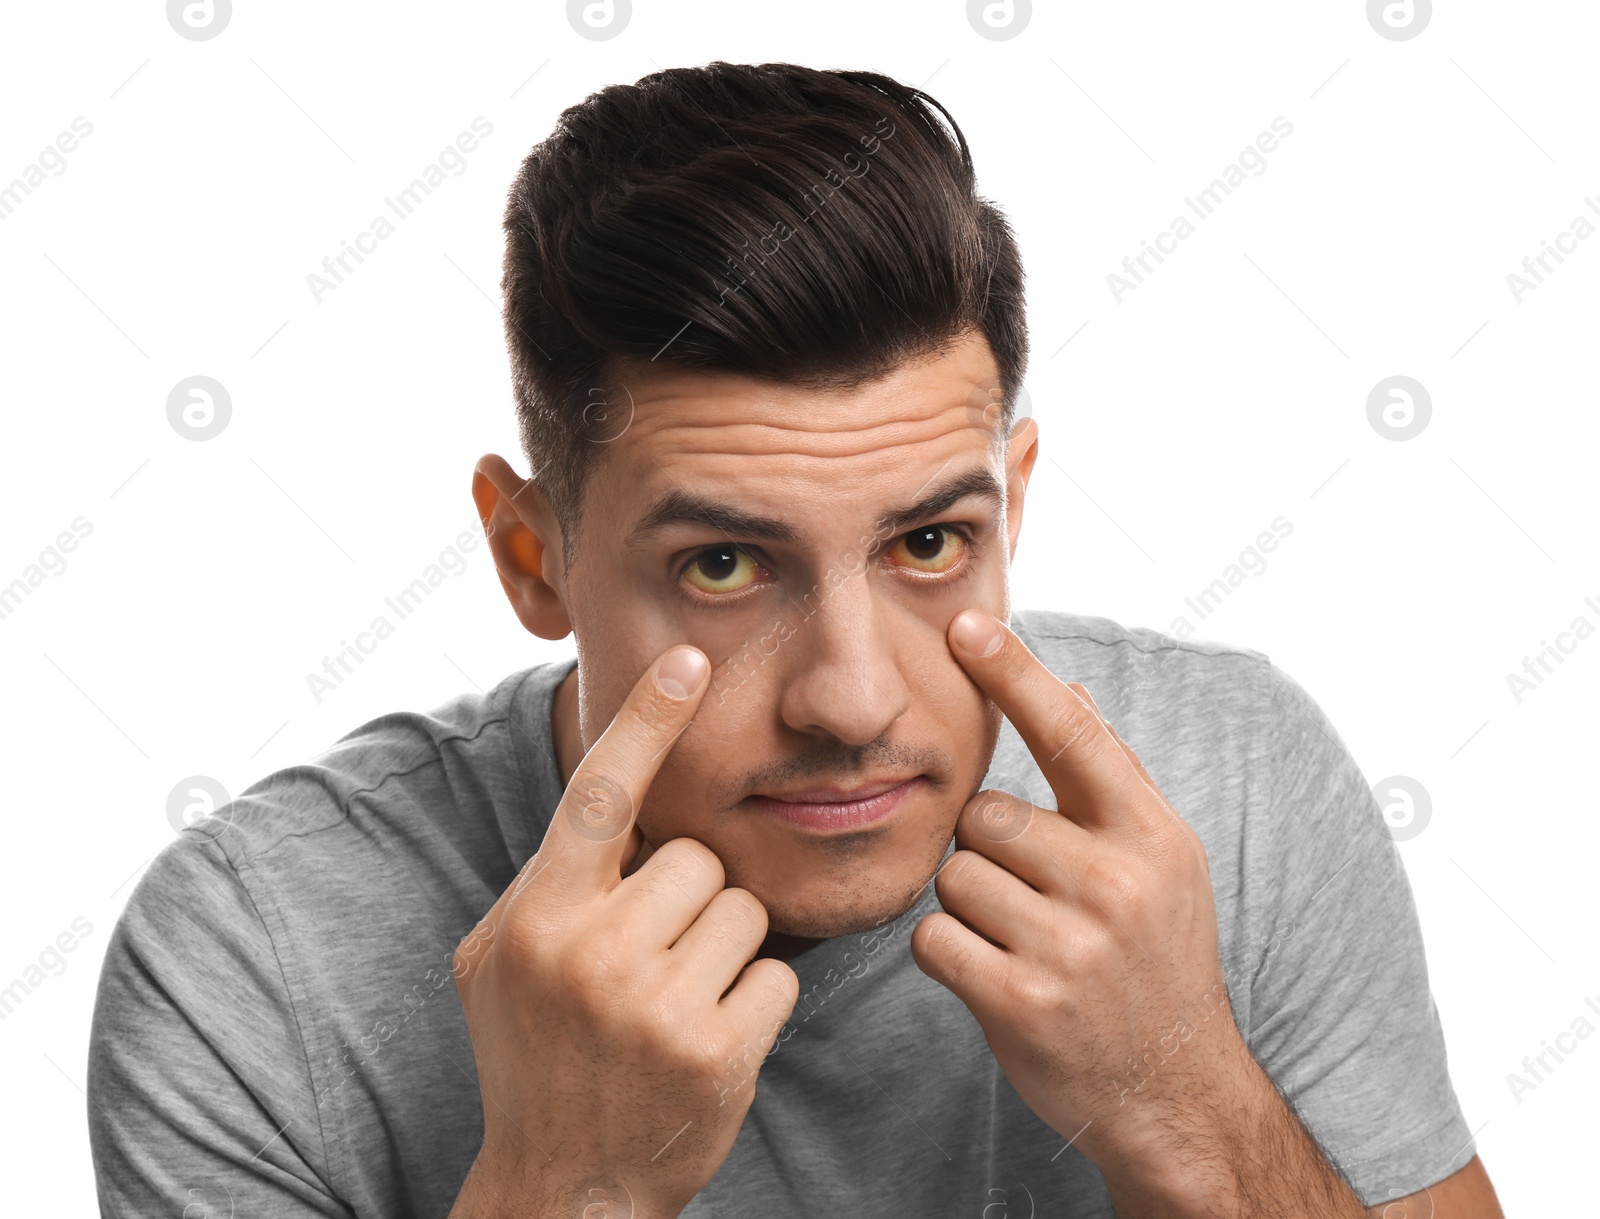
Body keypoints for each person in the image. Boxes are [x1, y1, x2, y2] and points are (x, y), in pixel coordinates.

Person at [88, 62, 1503, 1217]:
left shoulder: (1232, 791)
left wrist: (1190, 1109)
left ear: (1009, 503)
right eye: (722, 564)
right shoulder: (259, 957)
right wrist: (564, 1189)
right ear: (536, 556)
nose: (852, 697)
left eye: (929, 545)